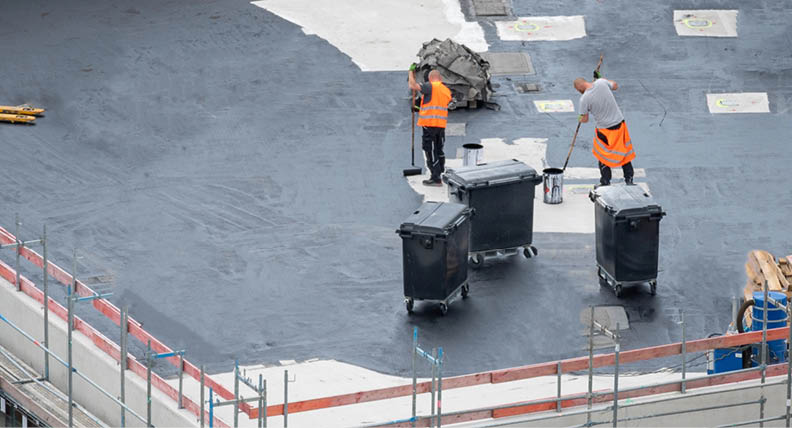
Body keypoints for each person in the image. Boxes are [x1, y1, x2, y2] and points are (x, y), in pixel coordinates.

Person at [574, 72, 635, 187]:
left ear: (579, 89)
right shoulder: (601, 83)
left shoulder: (584, 99)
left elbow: (585, 119)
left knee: (602, 154)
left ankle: (605, 181)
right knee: (624, 151)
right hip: (620, 124)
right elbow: (615, 86)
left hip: (604, 130)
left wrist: (580, 117)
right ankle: (629, 178)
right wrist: (602, 79)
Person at [408, 65, 452, 186]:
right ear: (440, 78)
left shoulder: (430, 86)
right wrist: (418, 107)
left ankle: (435, 178)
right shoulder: (446, 90)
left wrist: (411, 72)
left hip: (429, 125)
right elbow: (434, 103)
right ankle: (440, 170)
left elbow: (412, 85)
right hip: (440, 125)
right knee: (439, 149)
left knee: (430, 150)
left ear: (430, 78)